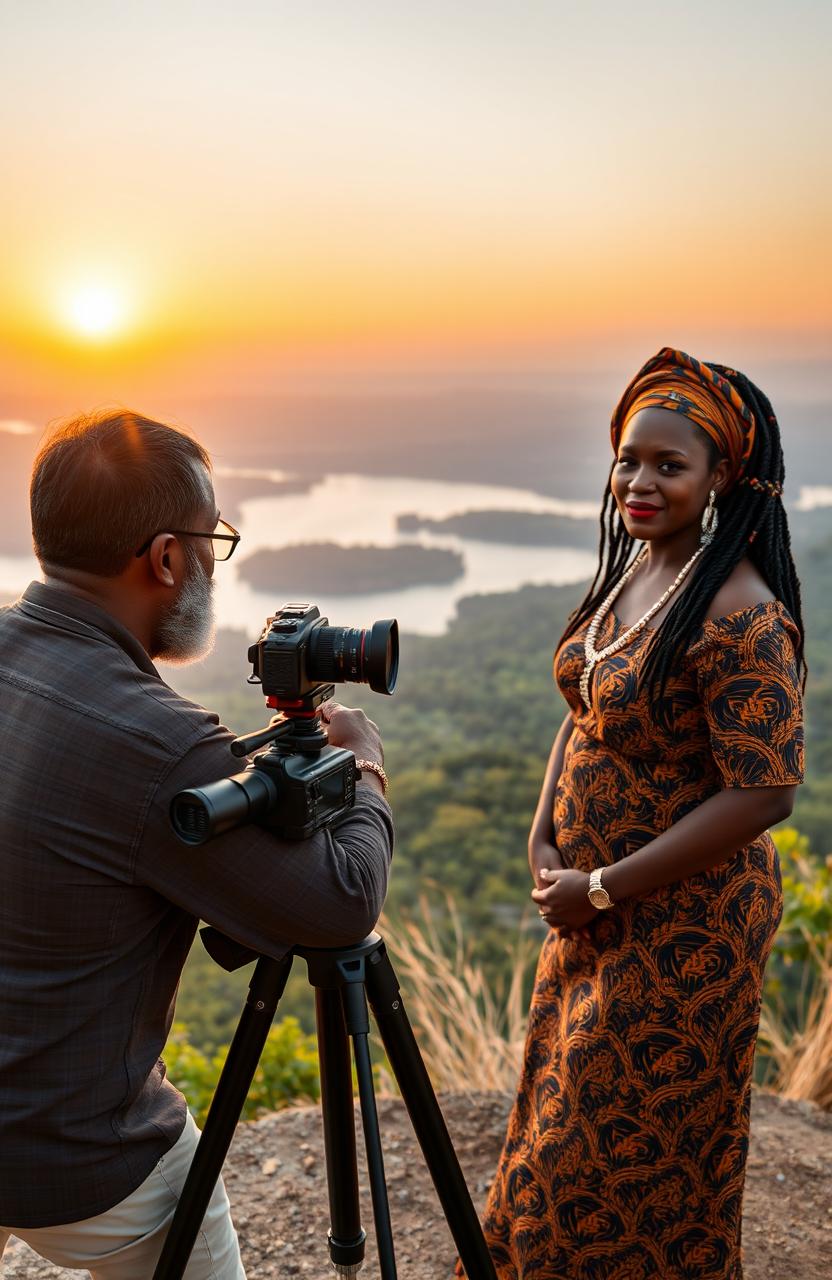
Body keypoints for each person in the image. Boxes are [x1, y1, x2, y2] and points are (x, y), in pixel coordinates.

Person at [0, 410, 394, 1278]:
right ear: (167, 557)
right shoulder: (160, 745)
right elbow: (338, 906)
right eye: (212, 540)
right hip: (74, 1156)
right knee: (190, 1215)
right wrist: (363, 770)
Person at [460, 348, 805, 1279]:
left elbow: (765, 790)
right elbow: (584, 713)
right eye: (628, 460)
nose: (639, 482)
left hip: (683, 932)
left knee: (621, 1159)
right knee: (553, 1125)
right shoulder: (640, 571)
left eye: (668, 465)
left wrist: (605, 887)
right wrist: (543, 832)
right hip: (592, 912)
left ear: (722, 476)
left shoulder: (740, 612)